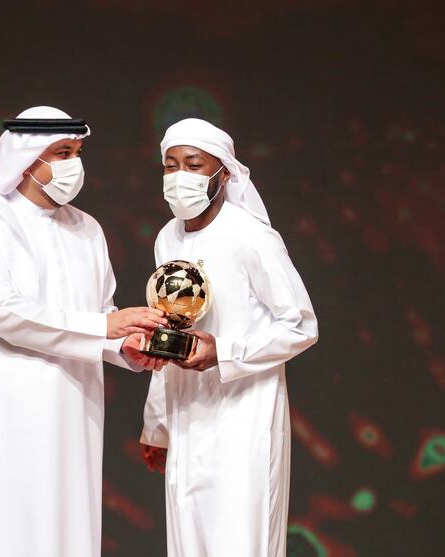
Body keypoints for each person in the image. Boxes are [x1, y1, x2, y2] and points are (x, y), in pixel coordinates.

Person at [0, 106, 167, 557]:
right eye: (63, 152)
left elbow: (101, 312)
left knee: (62, 531)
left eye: (77, 151)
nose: (74, 164)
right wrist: (104, 328)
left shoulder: (86, 230)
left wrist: (125, 347)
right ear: (27, 159)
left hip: (70, 412)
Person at [139, 118, 319, 556]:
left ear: (224, 173)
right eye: (171, 165)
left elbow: (300, 326)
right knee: (189, 539)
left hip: (244, 414)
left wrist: (225, 353)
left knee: (239, 540)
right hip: (187, 412)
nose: (180, 176)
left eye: (194, 165)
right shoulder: (167, 239)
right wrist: (156, 423)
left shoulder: (251, 237)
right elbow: (170, 329)